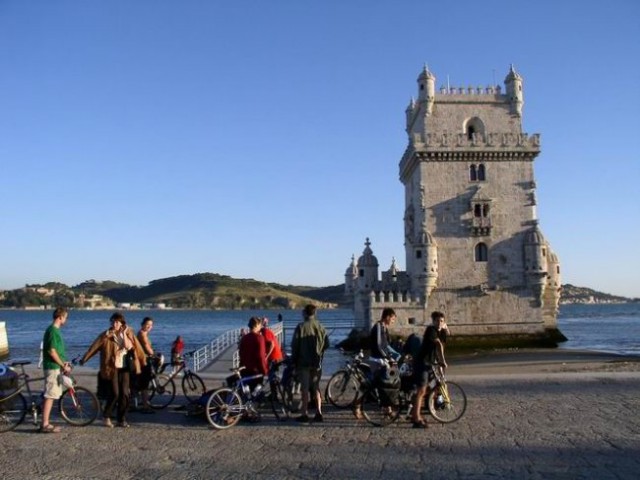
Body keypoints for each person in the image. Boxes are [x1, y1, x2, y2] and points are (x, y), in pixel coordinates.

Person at [80, 312, 146, 428]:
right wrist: (84, 359)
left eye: (117, 322)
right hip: (112, 368)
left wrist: (124, 333)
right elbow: (93, 348)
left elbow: (131, 347)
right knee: (115, 393)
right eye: (113, 321)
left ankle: (121, 419)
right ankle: (106, 416)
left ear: (122, 323)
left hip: (125, 368)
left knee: (125, 394)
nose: (114, 324)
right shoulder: (105, 335)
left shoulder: (129, 333)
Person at [410, 311, 449, 429]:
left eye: (441, 321)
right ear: (433, 321)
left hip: (430, 363)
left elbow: (443, 342)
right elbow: (439, 345)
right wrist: (443, 361)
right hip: (422, 363)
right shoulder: (431, 331)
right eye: (437, 321)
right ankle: (416, 418)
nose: (439, 323)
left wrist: (446, 330)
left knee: (431, 387)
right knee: (421, 390)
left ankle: (420, 409)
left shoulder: (440, 331)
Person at [291, 304, 329, 423]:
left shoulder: (300, 327)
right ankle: (319, 412)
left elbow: (295, 346)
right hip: (317, 362)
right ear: (315, 313)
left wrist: (294, 361)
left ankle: (304, 414)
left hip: (303, 363)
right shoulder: (321, 327)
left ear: (304, 313)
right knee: (316, 387)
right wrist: (319, 351)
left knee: (305, 389)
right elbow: (327, 344)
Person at [40, 307, 71, 433]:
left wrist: (64, 362)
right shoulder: (53, 331)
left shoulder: (54, 331)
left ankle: (44, 422)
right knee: (50, 395)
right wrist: (63, 366)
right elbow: (52, 352)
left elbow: (56, 351)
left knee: (51, 394)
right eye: (65, 317)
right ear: (60, 317)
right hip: (52, 368)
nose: (66, 320)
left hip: (55, 367)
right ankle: (45, 424)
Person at [238, 317, 268, 390]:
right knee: (257, 392)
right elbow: (261, 356)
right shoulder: (259, 338)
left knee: (246, 393)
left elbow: (240, 353)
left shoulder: (244, 338)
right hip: (255, 370)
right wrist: (265, 370)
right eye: (260, 325)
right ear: (256, 325)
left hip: (244, 369)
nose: (261, 327)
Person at [134, 317, 155, 412]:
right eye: (147, 324)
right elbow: (147, 347)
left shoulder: (144, 334)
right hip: (143, 362)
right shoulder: (142, 334)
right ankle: (145, 406)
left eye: (151, 325)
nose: (149, 326)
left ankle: (141, 402)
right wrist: (154, 355)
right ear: (142, 324)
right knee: (144, 385)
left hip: (143, 360)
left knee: (141, 384)